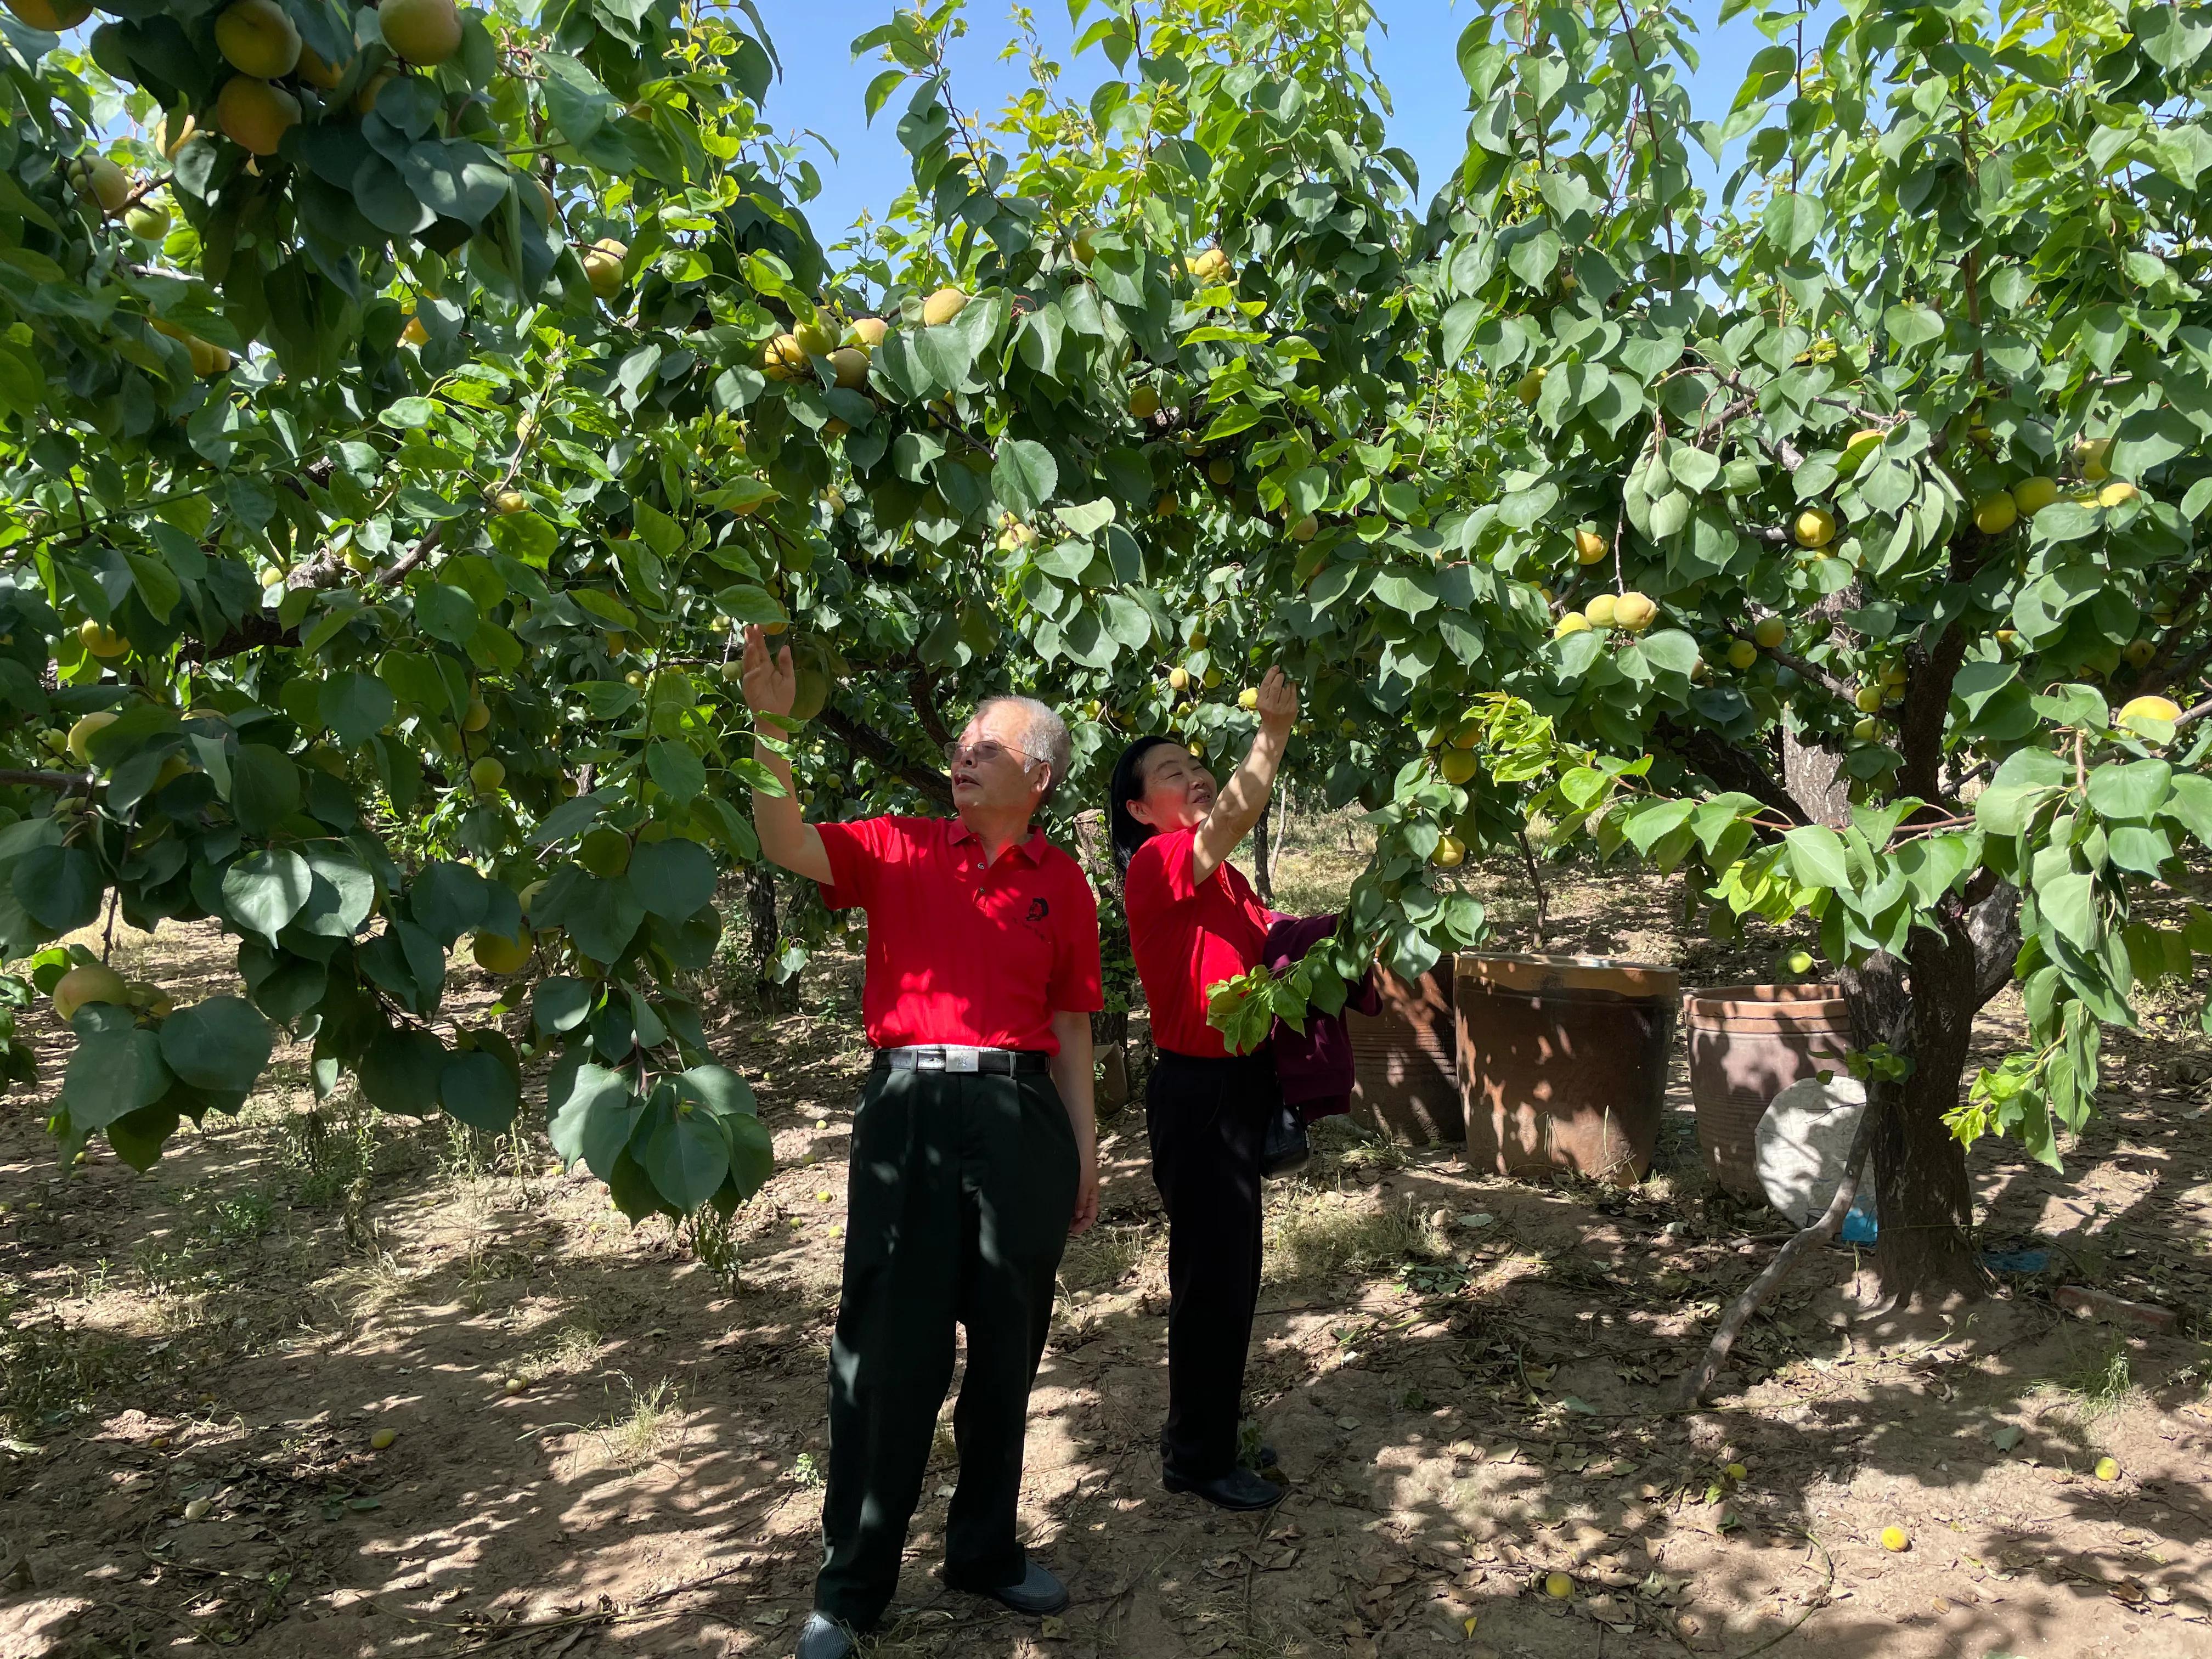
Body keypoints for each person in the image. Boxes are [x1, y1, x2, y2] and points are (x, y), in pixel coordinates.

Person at [738, 627, 1102, 1659]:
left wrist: (1083, 1150)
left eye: (984, 746)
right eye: (959, 744)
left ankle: (984, 1551)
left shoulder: (1061, 881)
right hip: (909, 1108)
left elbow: (1072, 1026)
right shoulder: (898, 844)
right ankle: (851, 1590)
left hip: (1020, 1115)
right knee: (888, 1349)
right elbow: (783, 842)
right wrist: (769, 724)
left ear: (1034, 773)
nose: (961, 755)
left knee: (1008, 1348)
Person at [1108, 665, 1298, 1512]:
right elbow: (1228, 821)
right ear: (1141, 811)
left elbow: (1266, 954)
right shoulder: (1158, 864)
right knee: (1215, 1275)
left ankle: (1203, 1435)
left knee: (1232, 1270)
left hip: (1241, 1083)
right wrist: (1273, 736)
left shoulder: (1223, 882)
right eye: (1169, 774)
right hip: (1199, 1092)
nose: (1191, 775)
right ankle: (1197, 1455)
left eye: (1194, 762)